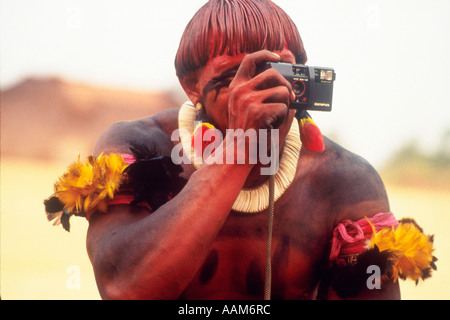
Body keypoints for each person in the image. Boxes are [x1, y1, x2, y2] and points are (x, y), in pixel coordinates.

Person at [44, 0, 436, 300]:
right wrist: (239, 152)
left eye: (279, 73)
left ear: (301, 78)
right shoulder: (140, 148)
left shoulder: (343, 179)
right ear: (191, 86)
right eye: (236, 76)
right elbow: (125, 287)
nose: (263, 93)